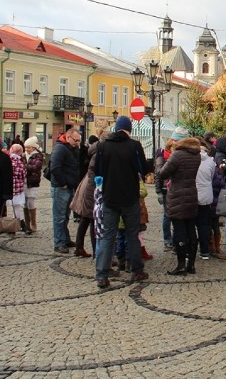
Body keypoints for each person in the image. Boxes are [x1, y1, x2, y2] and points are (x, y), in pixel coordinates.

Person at [94, 116, 150, 288]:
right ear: (129, 129)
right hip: (130, 197)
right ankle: (136, 271)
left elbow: (98, 172)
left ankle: (102, 275)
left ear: (116, 128)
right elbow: (143, 168)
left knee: (107, 236)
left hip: (110, 197)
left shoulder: (103, 146)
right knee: (132, 234)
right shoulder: (134, 146)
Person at [159, 133, 201, 276]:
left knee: (179, 230)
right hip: (191, 193)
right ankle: (192, 265)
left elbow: (163, 173)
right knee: (191, 228)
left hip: (177, 194)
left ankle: (181, 264)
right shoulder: (196, 154)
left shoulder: (177, 155)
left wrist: (160, 163)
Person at [49, 128, 82, 253]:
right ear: (68, 137)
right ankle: (59, 243)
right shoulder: (60, 148)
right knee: (59, 217)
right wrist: (62, 182)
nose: (77, 143)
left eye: (79, 140)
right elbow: (55, 167)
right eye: (75, 140)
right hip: (61, 187)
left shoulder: (72, 148)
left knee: (66, 216)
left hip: (70, 186)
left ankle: (65, 239)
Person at [71, 135, 103, 258]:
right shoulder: (97, 155)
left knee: (85, 219)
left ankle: (79, 247)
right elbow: (94, 176)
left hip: (87, 187)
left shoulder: (93, 152)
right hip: (91, 189)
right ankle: (96, 252)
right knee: (92, 219)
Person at [7, 144, 32, 235]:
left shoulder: (8, 161)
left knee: (11, 207)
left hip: (8, 187)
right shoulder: (20, 162)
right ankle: (20, 226)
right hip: (18, 187)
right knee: (16, 207)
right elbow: (24, 175)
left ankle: (18, 225)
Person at [23, 136, 44, 233]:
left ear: (34, 148)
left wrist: (25, 166)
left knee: (31, 202)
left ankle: (33, 223)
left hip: (33, 181)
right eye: (26, 147)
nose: (27, 149)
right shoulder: (23, 155)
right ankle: (27, 224)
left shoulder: (38, 156)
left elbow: (36, 167)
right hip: (24, 182)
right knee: (24, 203)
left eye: (29, 147)